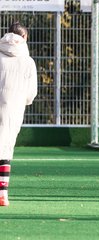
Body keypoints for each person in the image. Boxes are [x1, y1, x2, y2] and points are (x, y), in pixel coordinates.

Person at [0, 22, 38, 206]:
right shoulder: (28, 61)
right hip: (13, 109)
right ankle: (2, 193)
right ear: (24, 38)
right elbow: (31, 94)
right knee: (5, 148)